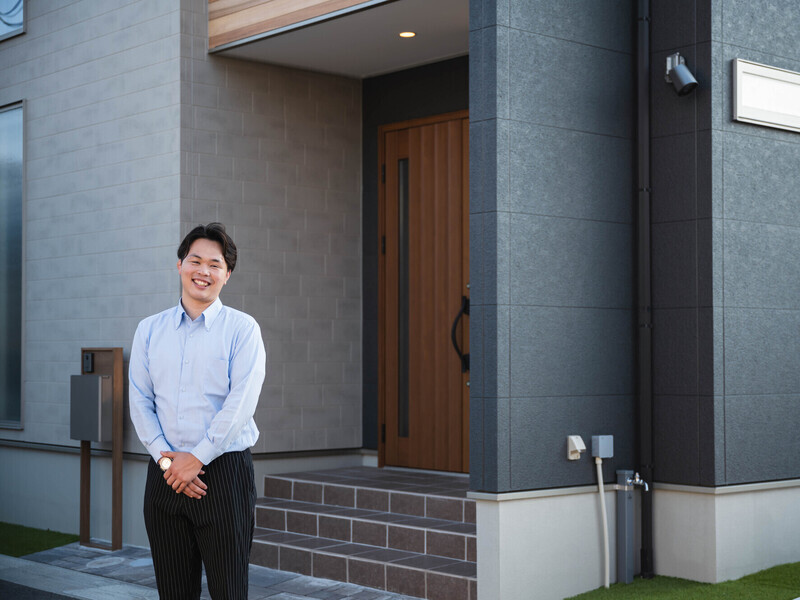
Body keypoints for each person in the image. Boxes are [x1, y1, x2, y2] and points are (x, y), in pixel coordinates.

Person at [129, 223, 266, 600]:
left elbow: (240, 405)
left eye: (215, 264)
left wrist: (197, 459)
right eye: (195, 260)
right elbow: (140, 402)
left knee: (229, 591)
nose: (203, 271)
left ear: (227, 274)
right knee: (173, 592)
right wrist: (169, 463)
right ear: (180, 265)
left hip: (223, 475)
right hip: (164, 473)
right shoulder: (149, 330)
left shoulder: (242, 329)